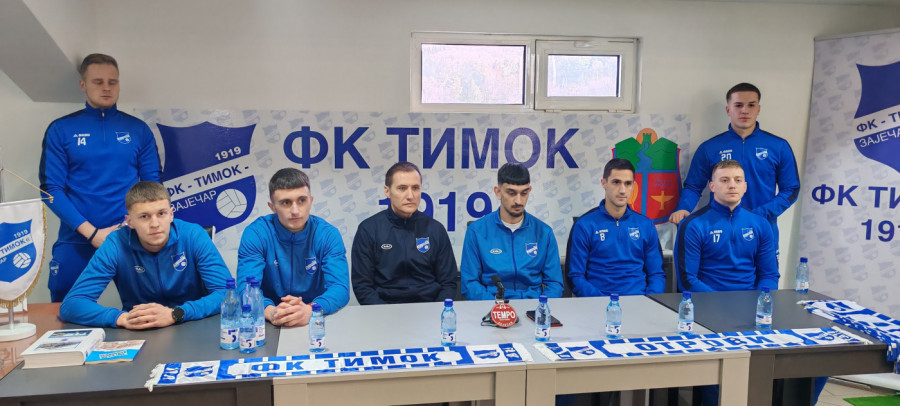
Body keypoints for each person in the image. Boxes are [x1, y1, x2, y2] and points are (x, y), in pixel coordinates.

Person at [39, 53, 161, 302]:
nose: (106, 88)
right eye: (98, 82)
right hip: (77, 240)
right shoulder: (61, 129)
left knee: (148, 310)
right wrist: (93, 234)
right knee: (65, 310)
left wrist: (128, 226)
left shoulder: (138, 129)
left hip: (130, 236)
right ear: (83, 84)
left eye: (112, 82)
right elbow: (50, 190)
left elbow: (152, 188)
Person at [59, 181, 230, 329]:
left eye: (161, 214)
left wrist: (176, 314)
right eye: (144, 216)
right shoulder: (115, 244)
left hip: (190, 323)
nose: (155, 224)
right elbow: (72, 304)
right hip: (139, 328)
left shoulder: (193, 235)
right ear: (130, 221)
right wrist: (121, 318)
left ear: (171, 214)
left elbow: (225, 292)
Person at [668, 83, 800, 249]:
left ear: (758, 109)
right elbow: (693, 187)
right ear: (728, 110)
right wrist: (683, 208)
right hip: (719, 230)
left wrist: (760, 214)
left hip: (762, 229)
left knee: (765, 267)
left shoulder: (778, 146)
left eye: (751, 105)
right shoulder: (710, 148)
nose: (745, 110)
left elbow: (791, 189)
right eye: (738, 105)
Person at [236, 168, 349, 327]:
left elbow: (340, 288)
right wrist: (270, 311)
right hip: (269, 321)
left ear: (311, 201)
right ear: (272, 207)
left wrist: (311, 310)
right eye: (286, 202)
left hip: (315, 318)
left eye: (302, 200)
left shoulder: (328, 234)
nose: (295, 210)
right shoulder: (256, 233)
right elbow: (245, 288)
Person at [352, 162, 457, 304]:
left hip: (429, 309)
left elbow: (448, 283)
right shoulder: (368, 229)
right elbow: (363, 286)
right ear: (387, 191)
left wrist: (437, 311)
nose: (410, 195)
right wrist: (383, 314)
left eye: (415, 188)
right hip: (384, 310)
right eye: (402, 188)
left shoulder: (435, 229)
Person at [460, 163, 563, 300]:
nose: (518, 201)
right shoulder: (476, 232)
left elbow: (555, 283)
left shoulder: (544, 233)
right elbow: (470, 283)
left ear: (529, 190)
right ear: (498, 192)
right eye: (511, 193)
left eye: (524, 193)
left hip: (533, 306)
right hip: (492, 305)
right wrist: (498, 308)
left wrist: (540, 307)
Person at [674, 159, 779, 293]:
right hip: (708, 301)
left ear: (745, 187)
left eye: (738, 180)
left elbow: (769, 275)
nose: (732, 186)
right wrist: (721, 302)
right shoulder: (692, 225)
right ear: (712, 186)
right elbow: (687, 280)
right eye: (724, 180)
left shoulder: (761, 224)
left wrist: (760, 300)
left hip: (750, 301)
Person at [566, 158, 666, 297]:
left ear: (633, 185)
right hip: (597, 304)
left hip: (639, 302)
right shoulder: (584, 225)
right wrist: (602, 302)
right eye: (616, 182)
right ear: (604, 183)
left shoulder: (646, 225)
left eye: (628, 183)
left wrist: (649, 300)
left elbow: (657, 274)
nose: (622, 190)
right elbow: (575, 276)